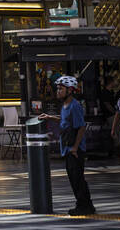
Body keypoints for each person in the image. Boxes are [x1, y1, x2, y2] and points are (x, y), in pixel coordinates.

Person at [40, 75, 96, 216]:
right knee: (74, 178)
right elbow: (65, 120)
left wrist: (75, 148)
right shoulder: (65, 106)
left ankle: (84, 206)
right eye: (57, 88)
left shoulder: (74, 106)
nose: (57, 91)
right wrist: (50, 117)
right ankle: (85, 204)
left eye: (61, 89)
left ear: (70, 90)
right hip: (67, 146)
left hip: (74, 149)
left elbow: (81, 127)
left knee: (77, 179)